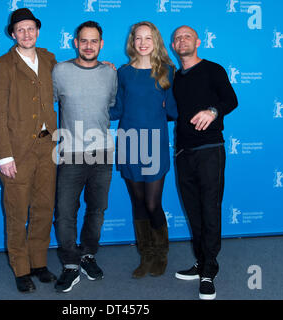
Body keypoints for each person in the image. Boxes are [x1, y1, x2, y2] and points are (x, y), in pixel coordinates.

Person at [0, 8, 58, 293]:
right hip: (17, 151)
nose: (27, 34)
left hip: (47, 146)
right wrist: (4, 156)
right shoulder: (1, 66)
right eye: (21, 30)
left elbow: (76, 74)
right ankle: (21, 267)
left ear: (37, 31)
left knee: (44, 208)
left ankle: (38, 262)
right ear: (13, 34)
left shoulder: (50, 60)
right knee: (17, 211)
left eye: (31, 28)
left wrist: (106, 67)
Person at [171, 25, 238, 300]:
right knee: (194, 212)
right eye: (177, 38)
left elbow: (231, 100)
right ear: (173, 46)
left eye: (187, 36)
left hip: (210, 150)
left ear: (197, 41)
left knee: (210, 209)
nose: (181, 40)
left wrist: (213, 111)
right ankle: (201, 262)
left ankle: (210, 269)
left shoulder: (213, 69)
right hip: (183, 153)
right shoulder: (175, 77)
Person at [109, 21, 178, 279]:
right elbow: (117, 109)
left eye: (148, 37)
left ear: (155, 41)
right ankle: (146, 255)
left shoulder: (168, 70)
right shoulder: (124, 73)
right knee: (137, 202)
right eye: (138, 38)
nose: (143, 42)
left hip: (155, 144)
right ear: (132, 42)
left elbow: (173, 110)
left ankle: (161, 254)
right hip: (128, 141)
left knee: (152, 202)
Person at [52, 21, 117, 293]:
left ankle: (88, 254)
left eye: (94, 41)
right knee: (65, 212)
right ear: (75, 42)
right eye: (84, 40)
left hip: (102, 153)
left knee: (97, 210)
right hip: (70, 153)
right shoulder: (60, 71)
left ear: (101, 44)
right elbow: (49, 103)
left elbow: (110, 105)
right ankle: (70, 265)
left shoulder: (110, 73)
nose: (89, 45)